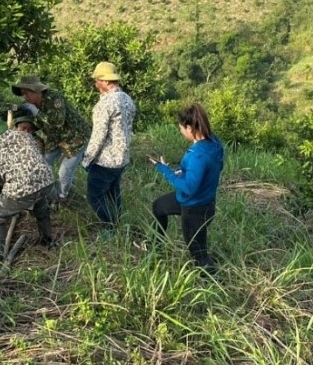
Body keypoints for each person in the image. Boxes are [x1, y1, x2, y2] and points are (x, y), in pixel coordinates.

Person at [149, 103, 224, 272]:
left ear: (189, 128)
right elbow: (212, 169)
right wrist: (182, 172)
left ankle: (216, 283)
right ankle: (154, 245)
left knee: (199, 255)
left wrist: (165, 171)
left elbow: (189, 187)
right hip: (199, 200)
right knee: (158, 206)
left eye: (181, 128)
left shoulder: (197, 155)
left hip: (195, 208)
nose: (181, 132)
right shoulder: (214, 143)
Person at [0, 113, 57, 255]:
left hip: (21, 188)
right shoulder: (24, 135)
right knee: (40, 204)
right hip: (47, 180)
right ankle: (48, 240)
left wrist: (7, 187)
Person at [12, 75, 89, 201]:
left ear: (36, 91)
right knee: (43, 164)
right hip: (55, 138)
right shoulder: (30, 103)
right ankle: (41, 192)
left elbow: (57, 122)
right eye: (23, 94)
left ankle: (61, 197)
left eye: (27, 93)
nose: (25, 97)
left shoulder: (54, 98)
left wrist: (36, 112)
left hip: (75, 138)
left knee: (65, 171)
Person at [81, 62, 136, 230]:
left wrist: (87, 160)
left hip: (105, 160)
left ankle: (110, 227)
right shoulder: (127, 99)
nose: (95, 84)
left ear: (105, 81)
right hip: (122, 157)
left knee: (94, 196)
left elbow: (98, 136)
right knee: (113, 192)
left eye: (97, 80)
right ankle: (117, 222)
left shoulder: (104, 105)